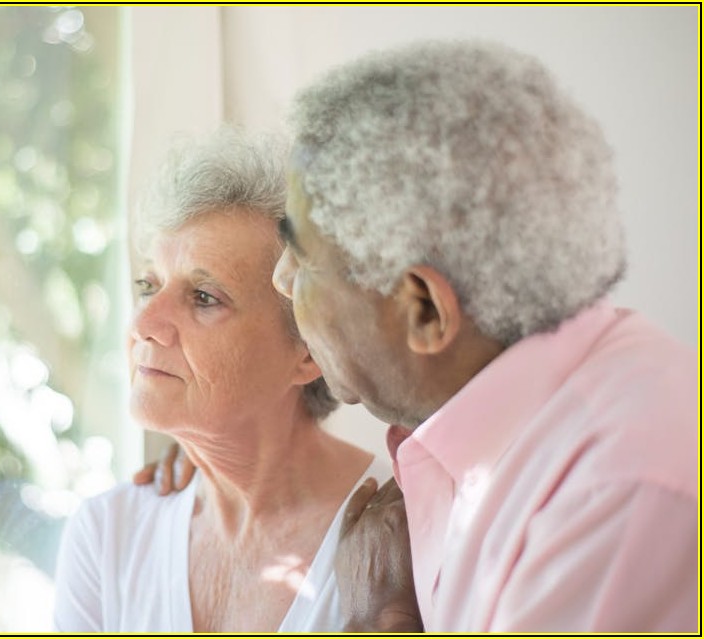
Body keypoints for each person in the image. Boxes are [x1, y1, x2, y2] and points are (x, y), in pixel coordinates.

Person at [145, 40, 697, 632]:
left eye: (302, 257)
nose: (282, 280)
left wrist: (383, 620)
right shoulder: (493, 424)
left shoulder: (616, 492)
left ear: (425, 311)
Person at [52, 128, 401, 632]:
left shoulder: (401, 538)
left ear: (310, 351)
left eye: (204, 298)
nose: (144, 323)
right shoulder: (109, 535)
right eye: (148, 285)